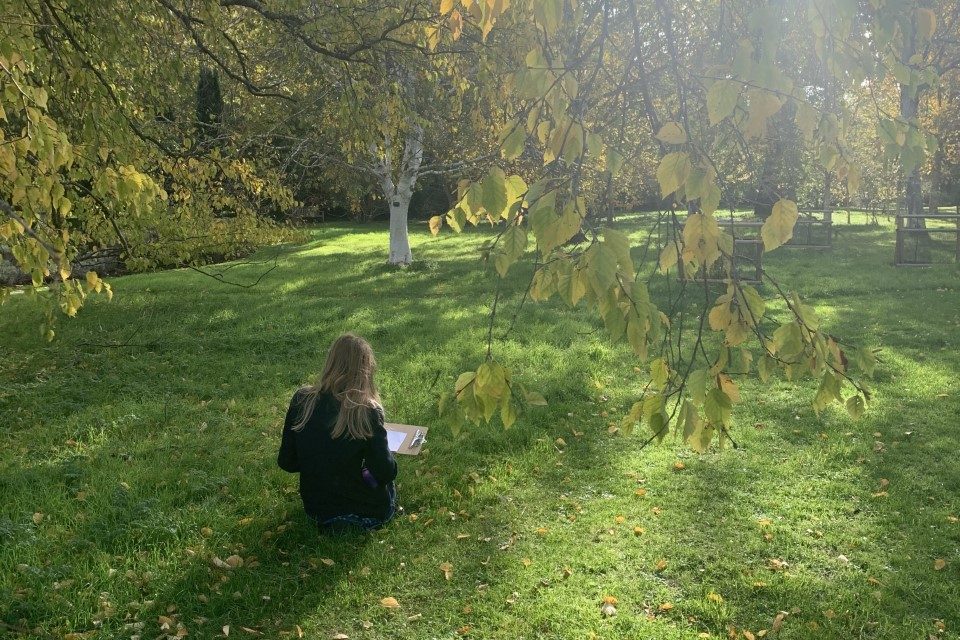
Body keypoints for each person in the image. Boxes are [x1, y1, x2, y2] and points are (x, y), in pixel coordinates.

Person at [278, 334, 398, 530]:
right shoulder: (366, 411)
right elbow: (385, 472)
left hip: (317, 511)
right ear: (366, 371)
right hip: (366, 514)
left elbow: (287, 462)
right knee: (389, 487)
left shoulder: (302, 400)